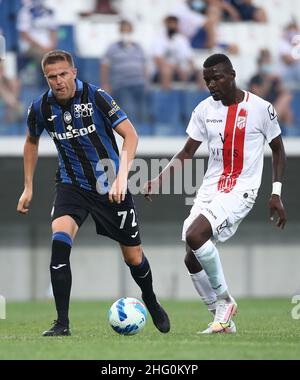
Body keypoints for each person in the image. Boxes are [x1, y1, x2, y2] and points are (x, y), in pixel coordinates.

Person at [17, 50, 170, 336]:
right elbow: (30, 141)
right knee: (59, 243)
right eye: (52, 77)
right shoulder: (40, 107)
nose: (58, 81)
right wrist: (28, 186)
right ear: (46, 78)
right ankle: (62, 323)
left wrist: (122, 177)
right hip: (70, 185)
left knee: (133, 257)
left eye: (63, 74)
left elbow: (131, 135)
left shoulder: (97, 97)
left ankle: (150, 299)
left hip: (111, 185)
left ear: (74, 72)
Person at [144, 53, 286, 334]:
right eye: (207, 80)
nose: (211, 84)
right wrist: (159, 179)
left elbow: (278, 149)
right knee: (190, 254)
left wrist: (276, 192)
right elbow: (187, 151)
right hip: (211, 187)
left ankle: (225, 300)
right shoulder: (204, 110)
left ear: (232, 75)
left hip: (241, 189)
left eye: (217, 78)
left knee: (196, 235)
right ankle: (222, 320)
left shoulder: (260, 108)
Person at [100, 19, 147, 125]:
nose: (126, 33)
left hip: (139, 83)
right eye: (124, 30)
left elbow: (145, 65)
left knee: (143, 110)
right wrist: (105, 83)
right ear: (120, 31)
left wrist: (146, 81)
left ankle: (144, 131)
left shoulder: (138, 47)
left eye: (128, 30)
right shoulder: (112, 48)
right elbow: (104, 66)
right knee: (128, 109)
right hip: (122, 84)